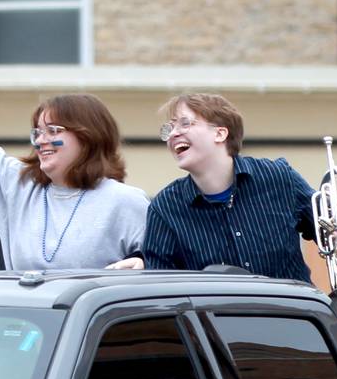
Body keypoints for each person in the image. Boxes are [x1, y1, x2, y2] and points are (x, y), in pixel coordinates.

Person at [0, 25, 149, 270]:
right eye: (37, 132)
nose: (41, 140)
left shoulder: (125, 202)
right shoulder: (18, 187)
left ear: (89, 137)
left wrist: (144, 264)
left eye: (54, 131)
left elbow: (171, 270)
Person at [108, 92, 318, 282]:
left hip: (294, 320)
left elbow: (326, 228)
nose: (173, 134)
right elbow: (162, 286)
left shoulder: (279, 177)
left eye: (185, 124)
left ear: (220, 134)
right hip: (217, 324)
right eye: (169, 128)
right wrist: (142, 260)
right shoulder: (165, 208)